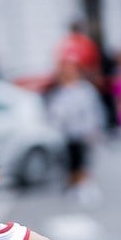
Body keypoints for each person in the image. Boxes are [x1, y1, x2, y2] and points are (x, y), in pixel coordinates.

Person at [47, 58, 106, 203]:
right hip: (68, 133)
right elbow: (55, 113)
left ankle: (85, 187)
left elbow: (94, 110)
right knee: (72, 162)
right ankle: (75, 187)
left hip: (84, 132)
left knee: (84, 161)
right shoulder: (60, 91)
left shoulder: (85, 89)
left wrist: (96, 128)